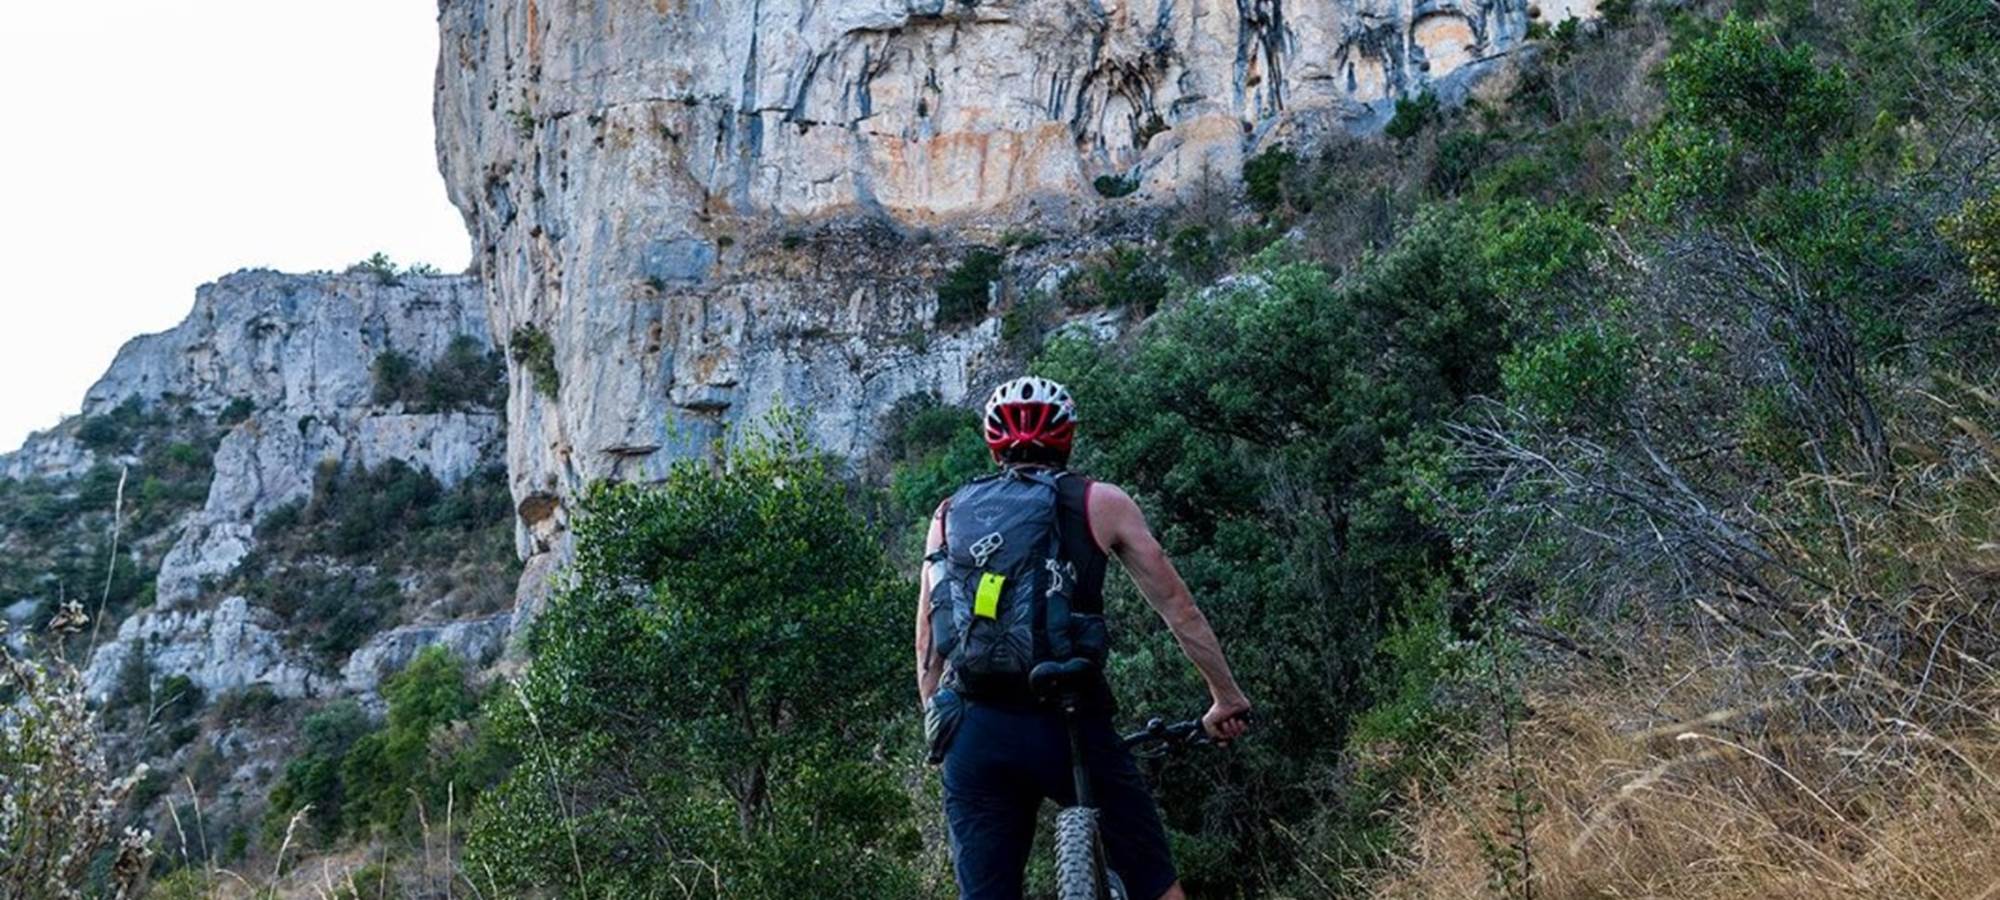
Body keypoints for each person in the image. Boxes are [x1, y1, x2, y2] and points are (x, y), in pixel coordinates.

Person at [915, 375, 1253, 900]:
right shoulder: (1100, 501)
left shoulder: (948, 514)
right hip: (1069, 720)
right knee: (1156, 890)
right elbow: (1177, 608)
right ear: (1068, 436)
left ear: (991, 443)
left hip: (977, 729)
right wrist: (1225, 696)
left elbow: (929, 641)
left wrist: (940, 724)